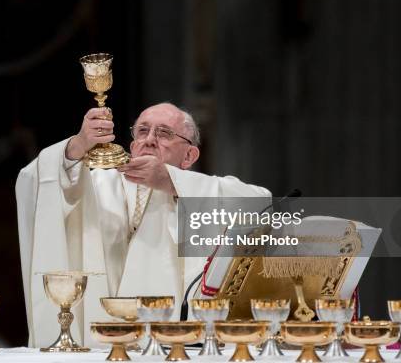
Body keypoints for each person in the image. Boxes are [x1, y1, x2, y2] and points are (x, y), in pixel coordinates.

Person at [15, 102, 270, 347]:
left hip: (180, 343)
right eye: (142, 131)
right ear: (132, 143)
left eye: (164, 133)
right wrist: (79, 144)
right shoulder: (98, 185)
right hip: (102, 338)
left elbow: (262, 202)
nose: (149, 139)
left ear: (189, 155)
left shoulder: (204, 190)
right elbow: (35, 183)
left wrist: (172, 182)